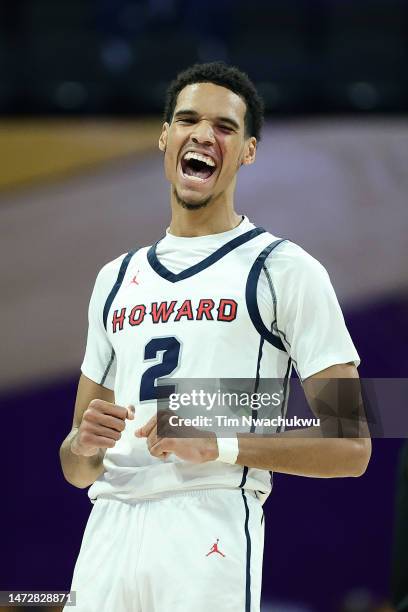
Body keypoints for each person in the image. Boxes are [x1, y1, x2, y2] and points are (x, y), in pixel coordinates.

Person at [60, 61, 371, 612]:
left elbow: (351, 446)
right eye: (187, 120)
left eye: (225, 127)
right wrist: (81, 445)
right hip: (107, 529)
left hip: (208, 526)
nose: (203, 134)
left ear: (248, 151)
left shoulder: (285, 269)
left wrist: (220, 444)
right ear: (165, 136)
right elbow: (76, 468)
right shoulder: (114, 278)